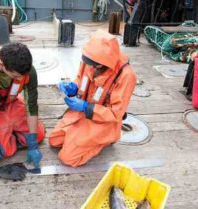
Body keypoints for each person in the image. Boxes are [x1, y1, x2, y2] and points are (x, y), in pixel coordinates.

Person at [49, 30, 137, 167]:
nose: (90, 67)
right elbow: (80, 79)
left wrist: (85, 107)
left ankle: (107, 139)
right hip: (82, 112)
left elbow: (115, 113)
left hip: (103, 121)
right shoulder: (90, 60)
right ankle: (77, 135)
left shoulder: (126, 76)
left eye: (94, 65)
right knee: (54, 140)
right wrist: (73, 87)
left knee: (68, 158)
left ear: (105, 62)